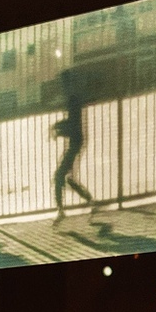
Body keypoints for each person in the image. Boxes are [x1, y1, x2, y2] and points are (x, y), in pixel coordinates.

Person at [51, 74, 91, 222]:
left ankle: (61, 210)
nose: (62, 89)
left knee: (60, 176)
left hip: (75, 144)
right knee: (66, 177)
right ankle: (89, 200)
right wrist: (58, 129)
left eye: (63, 85)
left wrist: (57, 128)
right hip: (76, 143)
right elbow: (72, 124)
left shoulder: (73, 100)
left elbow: (72, 125)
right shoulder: (73, 99)